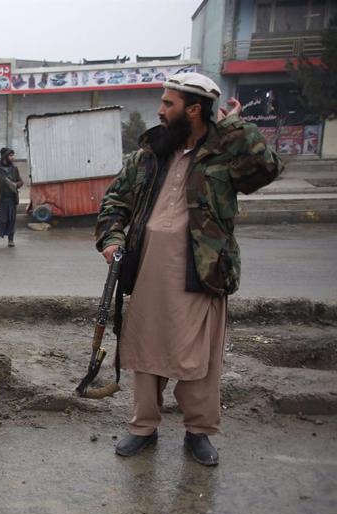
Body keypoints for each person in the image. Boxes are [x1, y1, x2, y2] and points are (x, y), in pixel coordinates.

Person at [95, 72, 281, 466]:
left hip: (204, 268)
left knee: (201, 357)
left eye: (168, 104)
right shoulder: (150, 153)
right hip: (147, 269)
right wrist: (112, 239)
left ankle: (199, 433)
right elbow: (114, 200)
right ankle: (142, 428)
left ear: (194, 110)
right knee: (145, 347)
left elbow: (266, 169)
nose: (160, 111)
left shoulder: (225, 153)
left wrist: (234, 126)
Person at [0, 147, 23, 248]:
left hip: (11, 200)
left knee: (11, 220)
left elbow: (20, 181)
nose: (12, 157)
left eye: (12, 155)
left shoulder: (14, 169)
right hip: (0, 201)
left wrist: (16, 184)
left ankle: (11, 240)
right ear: (5, 156)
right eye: (10, 155)